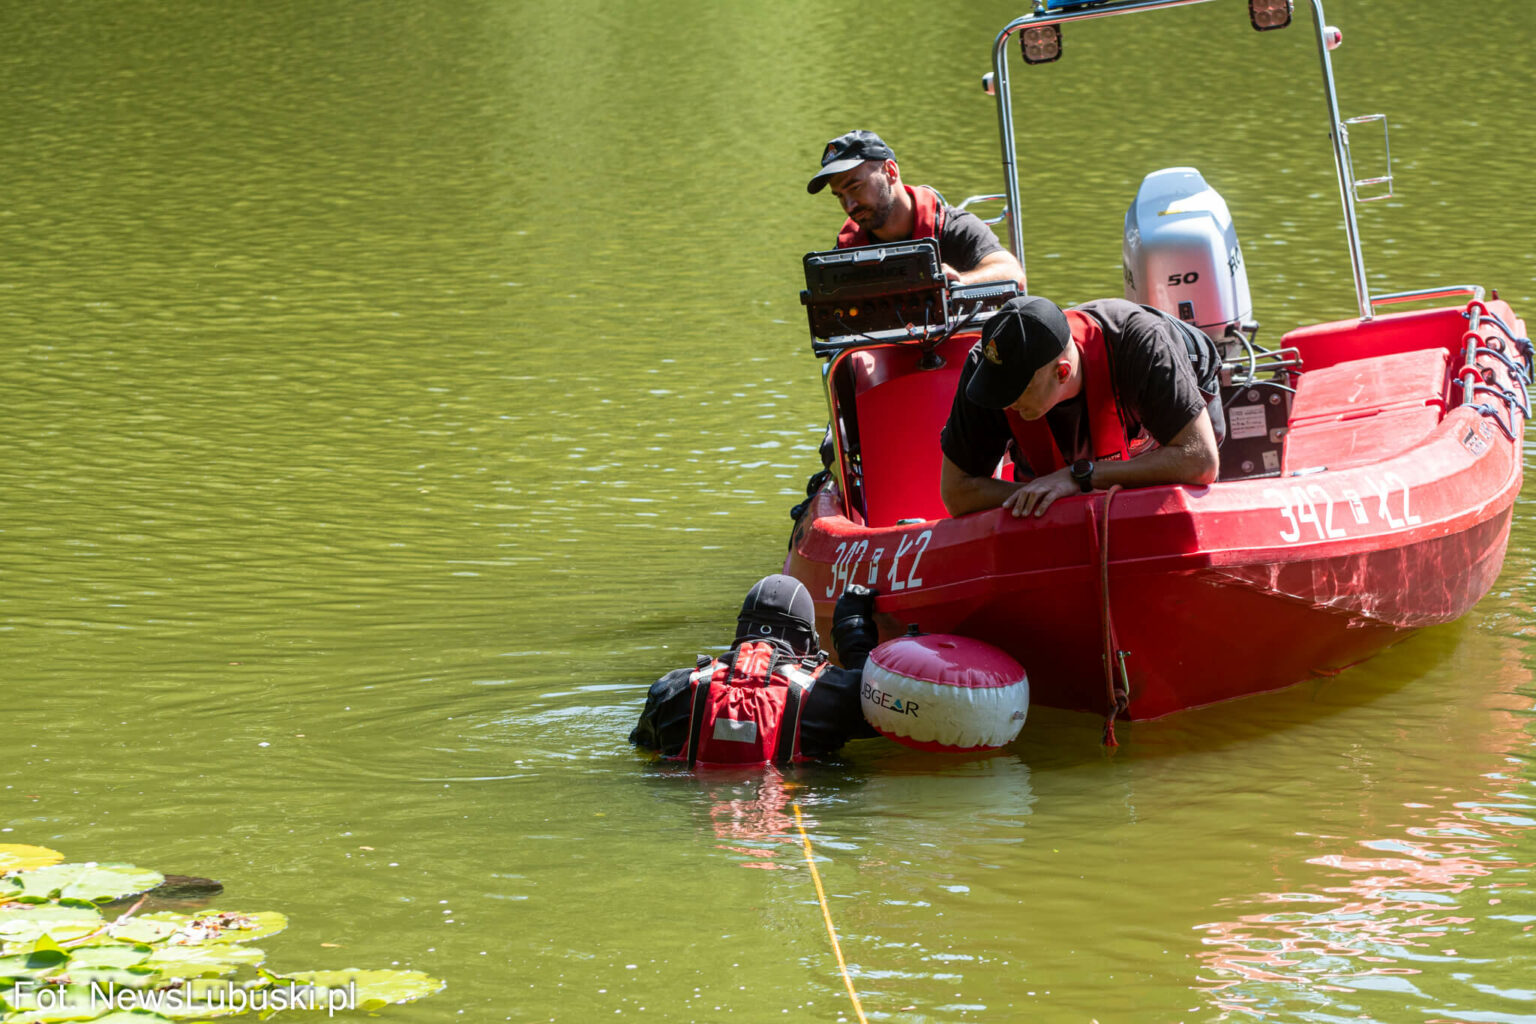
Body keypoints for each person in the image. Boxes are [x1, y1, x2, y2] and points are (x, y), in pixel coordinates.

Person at [939, 295, 1225, 519]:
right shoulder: (987, 367)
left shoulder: (1143, 345)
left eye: (1016, 389)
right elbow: (957, 491)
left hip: (1179, 390)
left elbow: (1200, 461)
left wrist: (1080, 477)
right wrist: (1041, 492)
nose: (1005, 401)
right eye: (997, 386)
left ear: (1062, 373)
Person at [629, 576, 879, 765]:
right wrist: (852, 624)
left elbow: (642, 746)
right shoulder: (833, 693)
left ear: (740, 631)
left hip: (699, 813)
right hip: (789, 810)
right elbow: (876, 692)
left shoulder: (670, 689)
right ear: (808, 641)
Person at [808, 130, 1026, 288]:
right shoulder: (847, 250)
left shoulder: (953, 227)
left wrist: (961, 280)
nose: (849, 205)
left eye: (855, 188)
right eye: (839, 196)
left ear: (890, 171)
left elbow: (1013, 273)